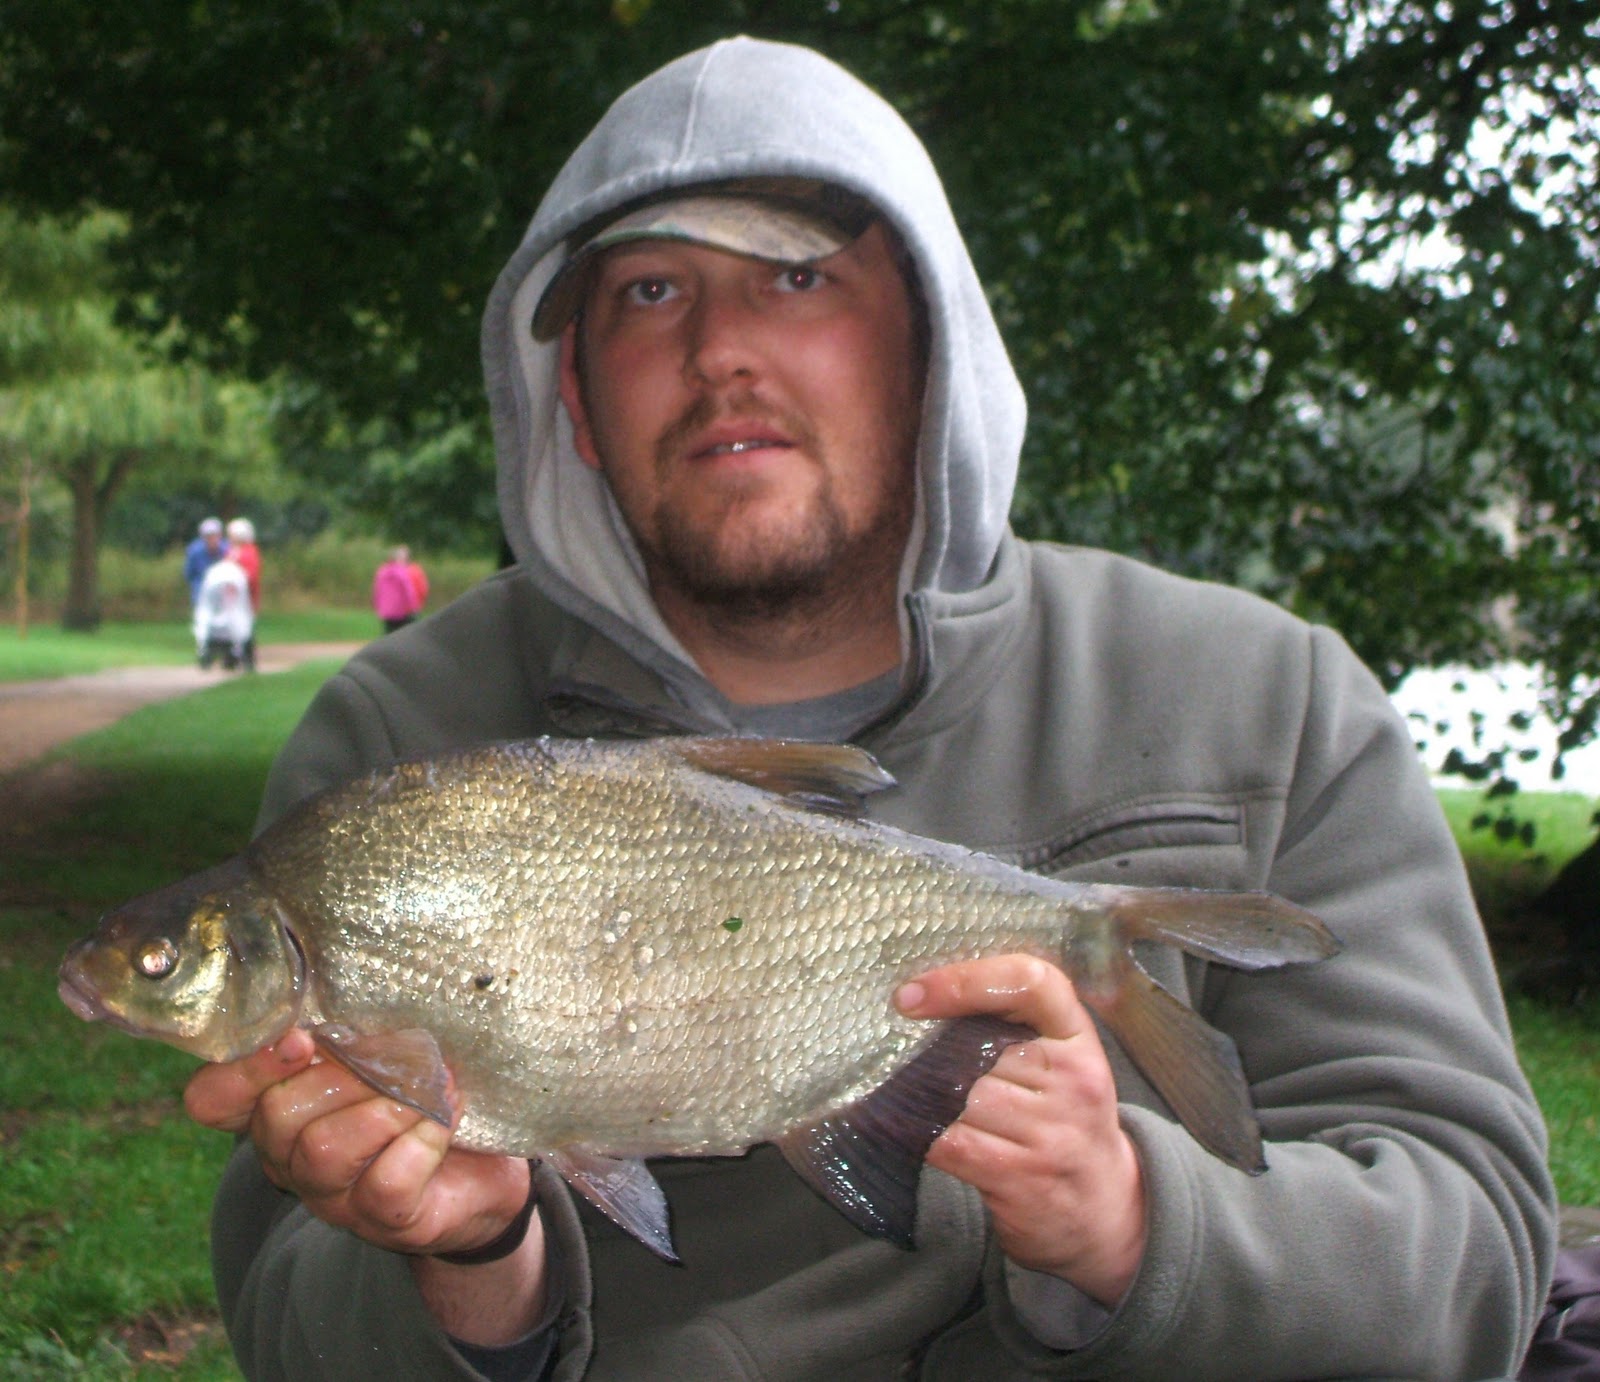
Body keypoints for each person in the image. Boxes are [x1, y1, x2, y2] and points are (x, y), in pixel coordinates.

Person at [183, 37, 1556, 1381]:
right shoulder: (399, 739)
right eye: (651, 291)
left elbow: (1474, 1266)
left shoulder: (1270, 701)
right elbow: (286, 1320)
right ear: (578, 405)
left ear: (930, 349)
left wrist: (1137, 1224)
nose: (722, 349)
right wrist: (477, 1259)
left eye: (796, 274)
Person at [192, 549, 255, 671]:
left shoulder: (217, 572)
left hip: (218, 604)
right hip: (222, 604)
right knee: (237, 622)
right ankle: (235, 654)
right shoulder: (235, 573)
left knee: (213, 620)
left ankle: (208, 654)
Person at [373, 544, 426, 633]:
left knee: (389, 634)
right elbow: (409, 592)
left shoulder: (382, 571)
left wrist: (378, 606)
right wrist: (414, 606)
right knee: (405, 635)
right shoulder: (404, 572)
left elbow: (377, 591)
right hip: (402, 611)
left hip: (387, 611)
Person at [182, 516, 227, 606]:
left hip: (223, 591)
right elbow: (189, 573)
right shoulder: (194, 551)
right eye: (208, 536)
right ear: (202, 537)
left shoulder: (227, 549)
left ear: (220, 535)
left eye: (214, 535)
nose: (212, 539)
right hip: (201, 591)